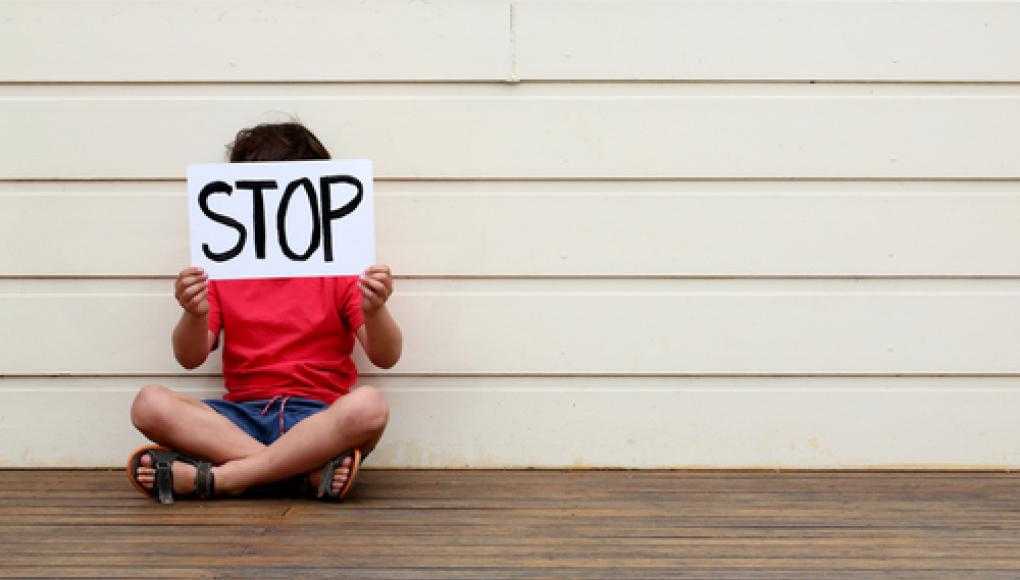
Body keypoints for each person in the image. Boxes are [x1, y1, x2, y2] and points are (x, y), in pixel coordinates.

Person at [126, 122, 402, 504]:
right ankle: (301, 473)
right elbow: (189, 357)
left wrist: (376, 310)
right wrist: (192, 312)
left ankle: (224, 478)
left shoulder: (338, 271)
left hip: (317, 419)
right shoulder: (223, 271)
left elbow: (385, 356)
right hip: (241, 419)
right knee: (148, 404)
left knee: (368, 407)